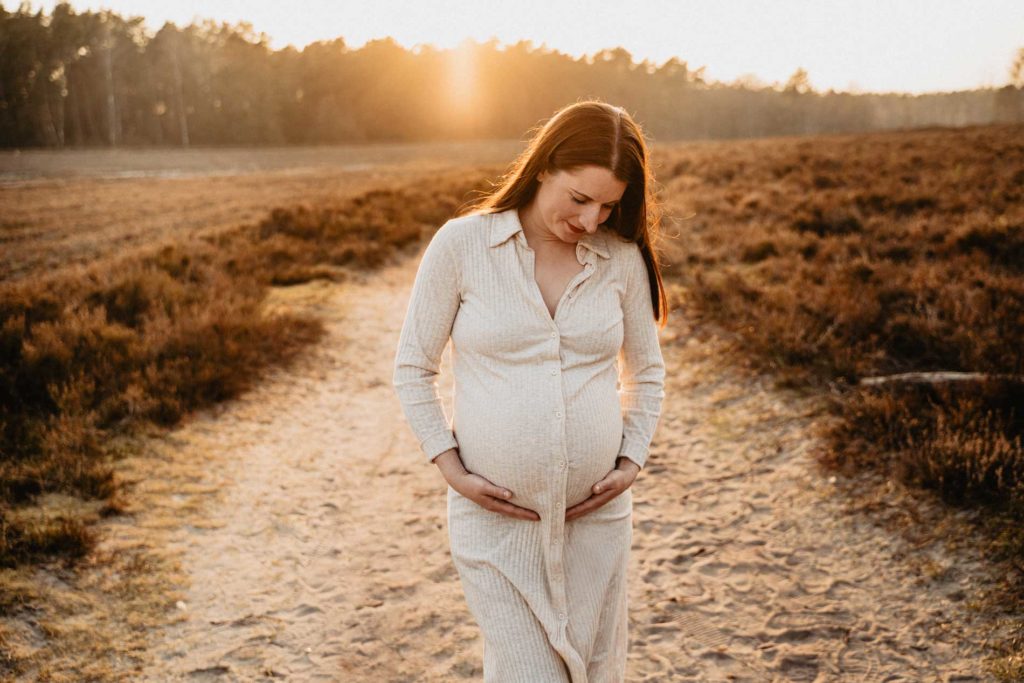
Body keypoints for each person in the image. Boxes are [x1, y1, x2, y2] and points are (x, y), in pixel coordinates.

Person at [392, 99, 667, 682]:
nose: (592, 220)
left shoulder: (618, 260)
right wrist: (451, 467)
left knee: (593, 673)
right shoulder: (463, 245)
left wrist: (632, 458)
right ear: (544, 166)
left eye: (609, 206)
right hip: (498, 524)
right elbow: (413, 366)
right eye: (580, 198)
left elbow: (646, 371)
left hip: (597, 521)